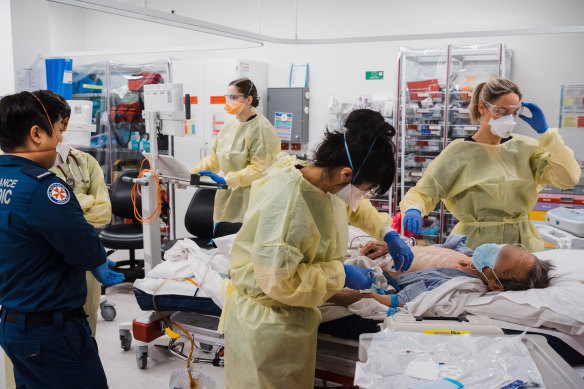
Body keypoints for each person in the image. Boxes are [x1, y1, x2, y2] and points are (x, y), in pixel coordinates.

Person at [220, 109, 413, 388]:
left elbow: (358, 208)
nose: (363, 197)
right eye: (366, 188)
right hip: (267, 324)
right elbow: (279, 280)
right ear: (346, 174)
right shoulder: (289, 203)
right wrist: (340, 274)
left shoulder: (321, 180)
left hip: (293, 315)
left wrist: (387, 231)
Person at [0, 90, 124, 388]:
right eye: (57, 131)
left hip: (13, 320)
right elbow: (82, 247)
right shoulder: (42, 187)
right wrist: (96, 258)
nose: (59, 140)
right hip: (51, 330)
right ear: (36, 133)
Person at [400, 78, 581, 252]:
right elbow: (424, 191)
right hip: (475, 246)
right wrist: (414, 208)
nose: (509, 119)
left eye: (514, 112)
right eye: (503, 112)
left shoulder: (527, 148)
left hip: (522, 245)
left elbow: (568, 178)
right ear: (482, 108)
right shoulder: (458, 153)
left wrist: (546, 133)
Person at [191, 78, 281, 224]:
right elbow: (214, 159)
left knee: (243, 242)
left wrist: (228, 179)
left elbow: (260, 169)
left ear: (249, 99)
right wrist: (192, 174)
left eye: (233, 97)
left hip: (250, 199)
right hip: (226, 198)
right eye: (227, 97)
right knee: (222, 240)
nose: (229, 101)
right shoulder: (228, 126)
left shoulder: (262, 129)